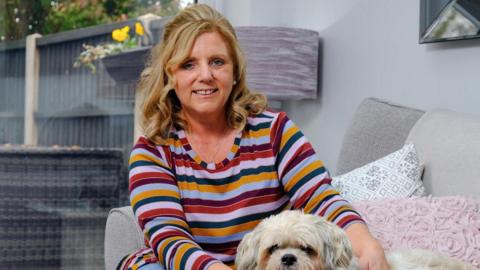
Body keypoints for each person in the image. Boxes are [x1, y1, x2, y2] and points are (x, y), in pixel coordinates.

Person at [119, 4, 390, 270]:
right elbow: (170, 239)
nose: (205, 75)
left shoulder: (275, 131)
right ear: (170, 76)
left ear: (235, 72)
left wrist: (368, 246)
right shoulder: (152, 152)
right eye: (188, 65)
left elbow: (320, 197)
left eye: (217, 62)